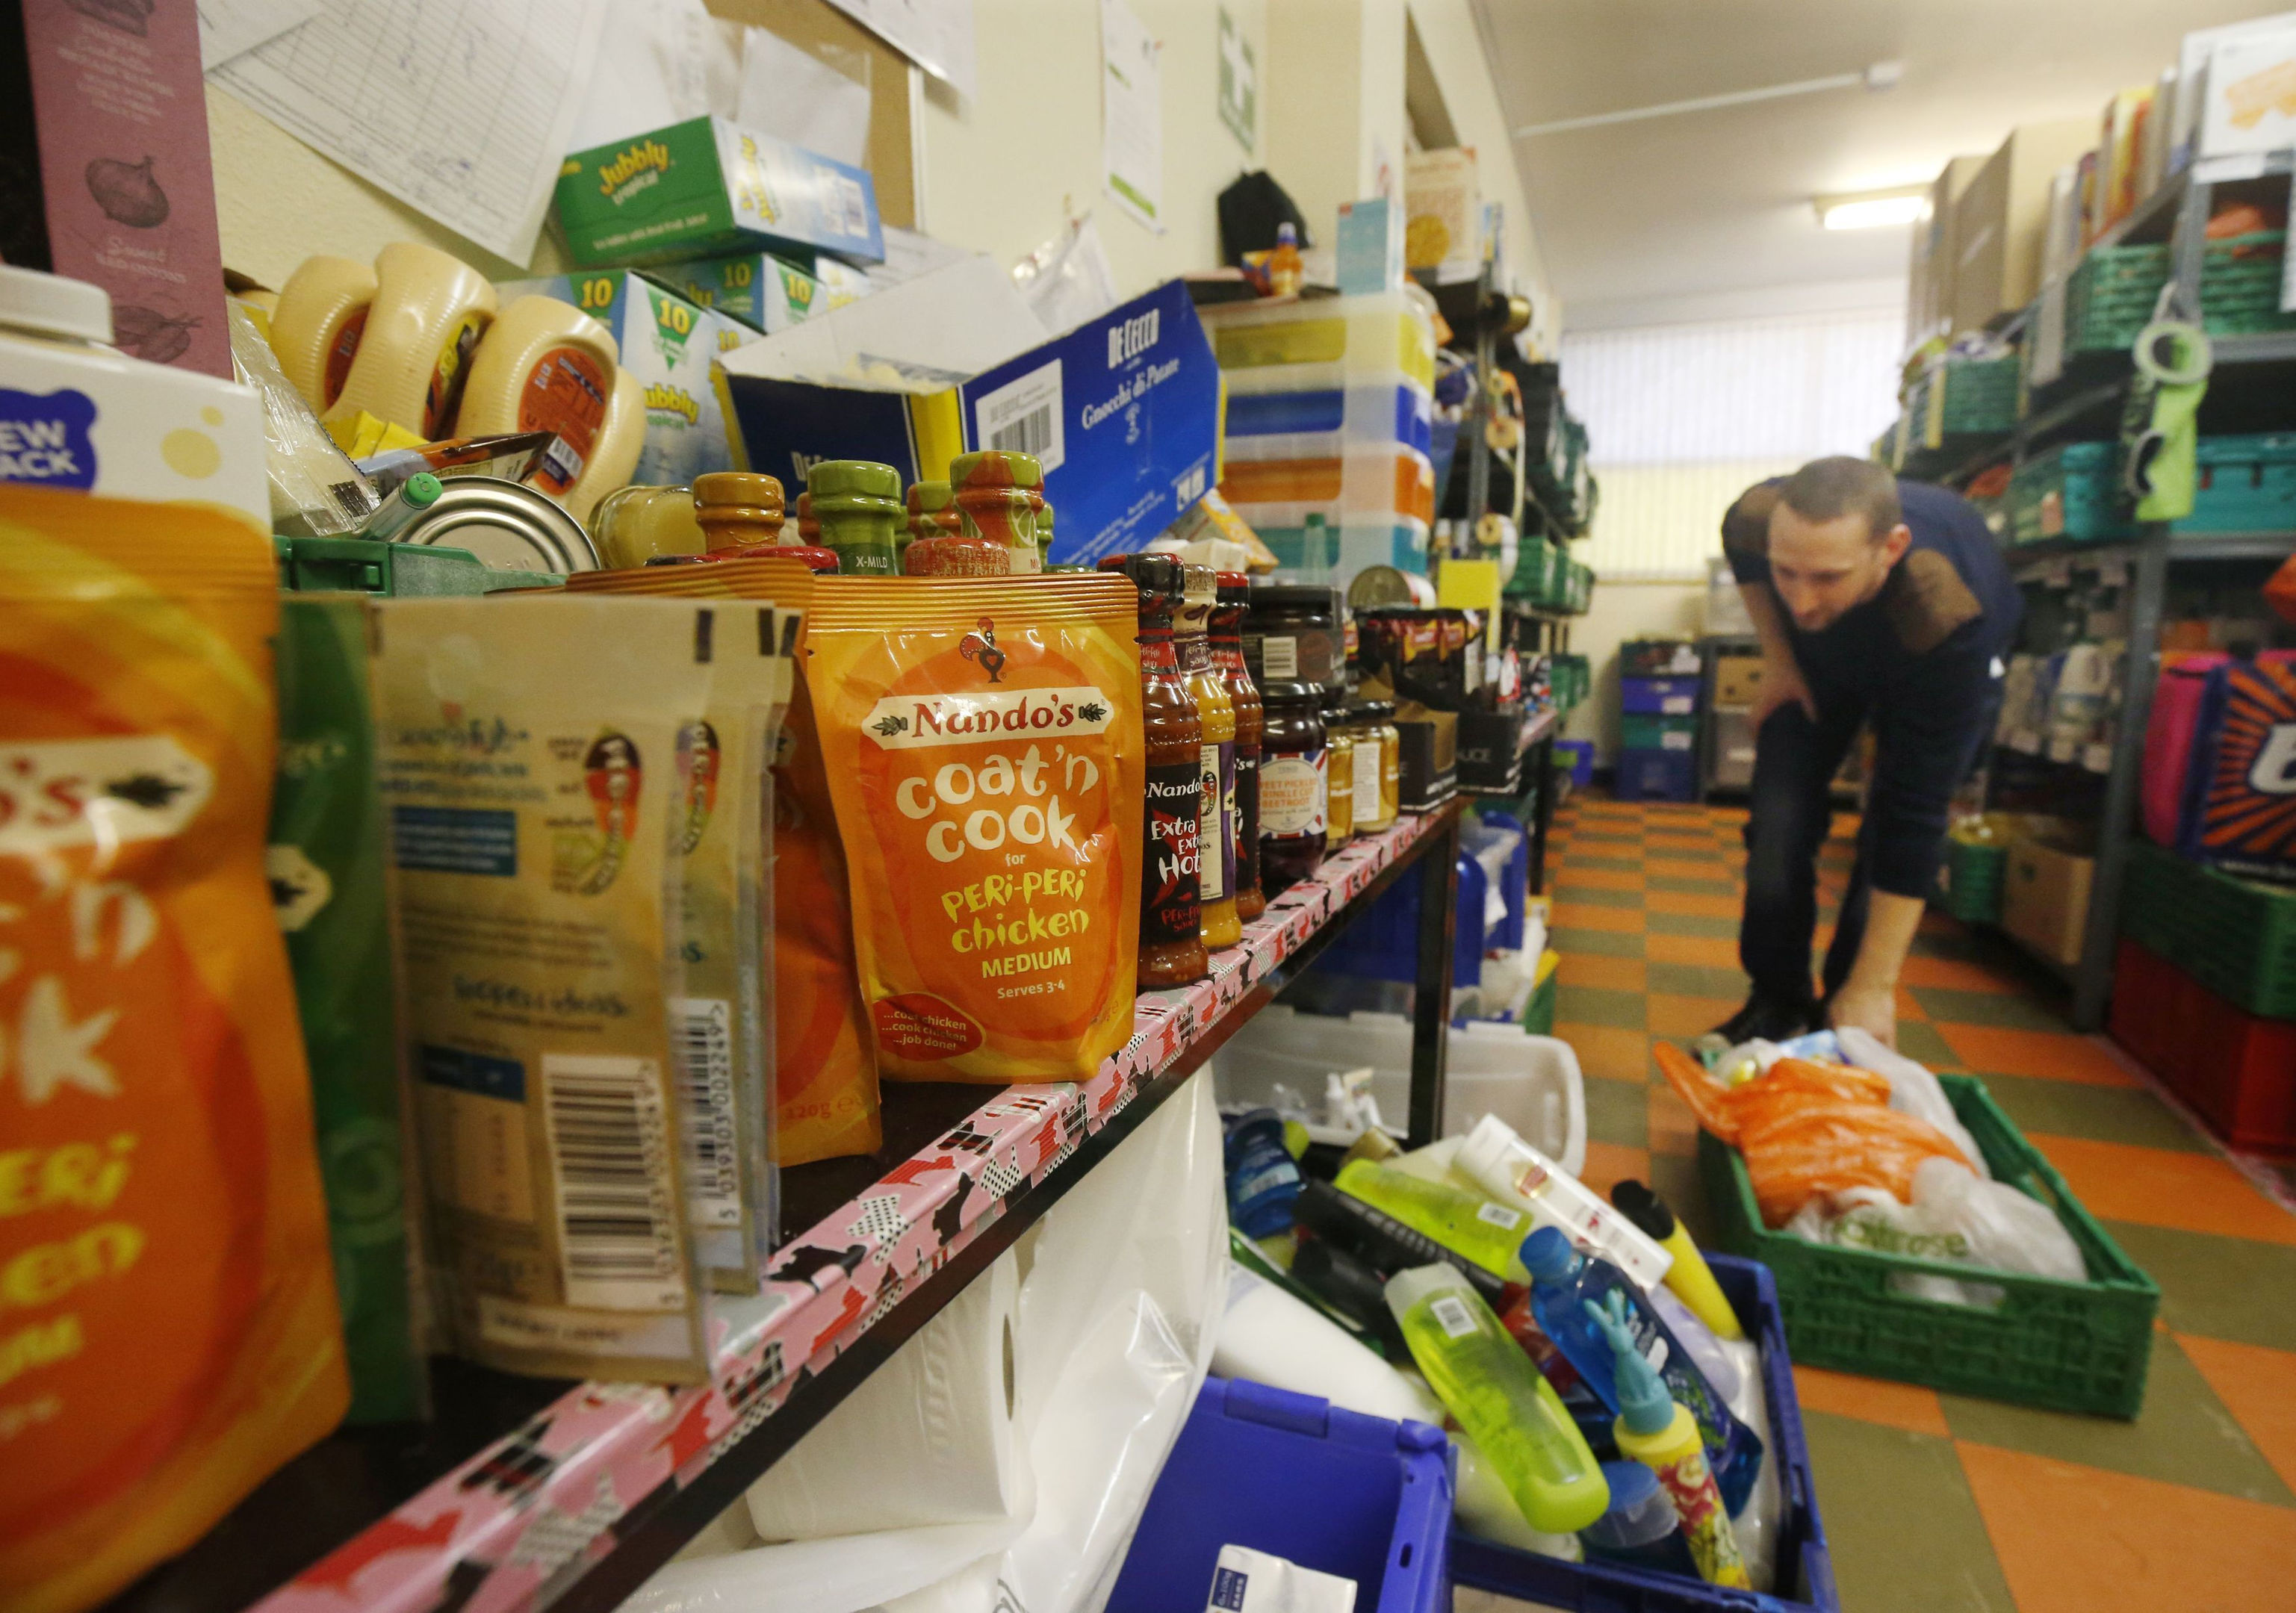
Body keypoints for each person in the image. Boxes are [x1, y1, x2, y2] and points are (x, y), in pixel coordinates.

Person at [1713, 456, 2020, 1050]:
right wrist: (1779, 660)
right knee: (1778, 822)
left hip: (1922, 658)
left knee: (1891, 826)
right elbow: (1743, 551)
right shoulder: (1759, 515)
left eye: (1827, 577)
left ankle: (1847, 1007)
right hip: (1821, 663)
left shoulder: (1948, 614)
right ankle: (1776, 1000)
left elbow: (1918, 814)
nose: (1800, 601)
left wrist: (1878, 983)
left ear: (1892, 547)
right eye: (1788, 573)